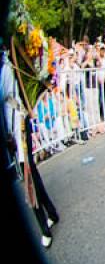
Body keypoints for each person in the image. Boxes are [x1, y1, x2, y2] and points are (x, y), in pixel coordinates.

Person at [2, 48, 60, 248]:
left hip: (18, 125)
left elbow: (8, 98)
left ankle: (44, 228)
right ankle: (52, 213)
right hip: (12, 126)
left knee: (28, 177)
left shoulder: (5, 67)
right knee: (32, 175)